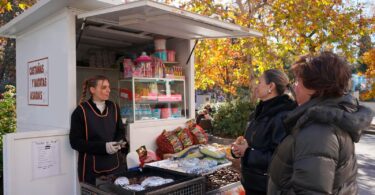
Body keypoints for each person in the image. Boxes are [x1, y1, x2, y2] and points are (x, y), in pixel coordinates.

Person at [268, 52, 374, 194]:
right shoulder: (328, 120)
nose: (295, 86)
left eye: (298, 81)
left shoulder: (318, 131)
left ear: (316, 87)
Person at [231, 69, 297, 195]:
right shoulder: (258, 113)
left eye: (259, 82)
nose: (256, 86)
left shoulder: (282, 116)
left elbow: (280, 159)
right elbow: (253, 145)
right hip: (251, 185)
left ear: (271, 87)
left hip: (267, 188)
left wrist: (248, 152)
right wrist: (239, 149)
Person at [69, 75, 129, 185]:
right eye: (104, 87)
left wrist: (118, 143)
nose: (109, 90)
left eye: (109, 87)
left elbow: (120, 131)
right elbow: (75, 142)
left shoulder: (114, 107)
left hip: (115, 166)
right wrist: (104, 147)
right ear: (92, 90)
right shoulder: (80, 111)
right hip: (91, 169)